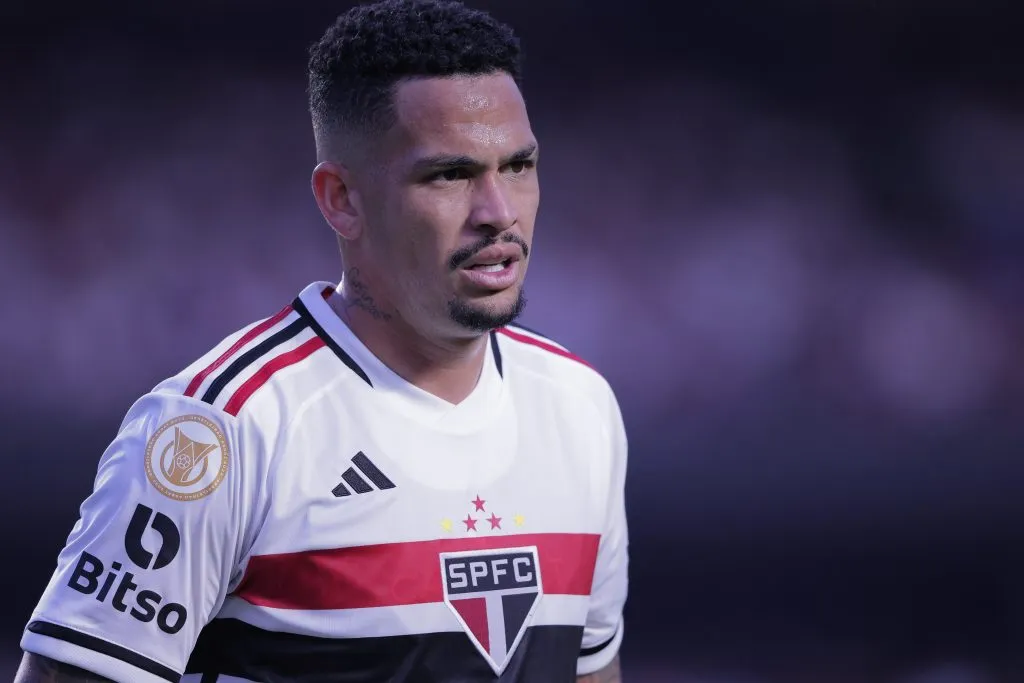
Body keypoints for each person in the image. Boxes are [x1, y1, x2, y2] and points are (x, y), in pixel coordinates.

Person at [14, 0, 629, 681]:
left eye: (518, 166)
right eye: (449, 175)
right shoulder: (222, 428)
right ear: (342, 198)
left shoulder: (580, 408)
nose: (499, 211)